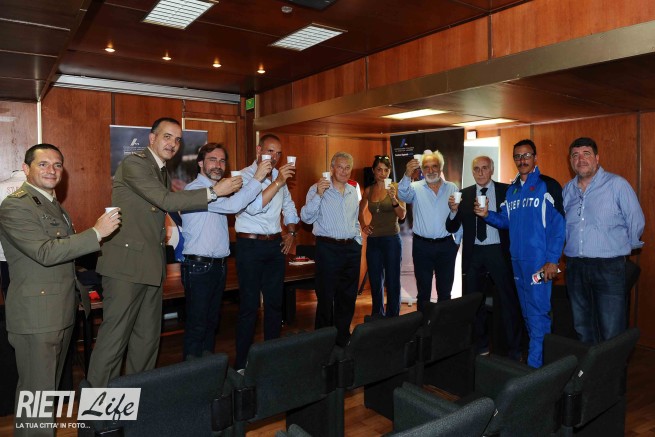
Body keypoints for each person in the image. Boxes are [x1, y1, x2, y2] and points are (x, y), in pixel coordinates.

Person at [87, 117, 251, 388]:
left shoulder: (161, 171)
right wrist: (213, 192)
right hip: (125, 266)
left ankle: (137, 400)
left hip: (151, 266)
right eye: (167, 137)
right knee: (114, 340)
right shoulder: (135, 163)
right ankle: (98, 408)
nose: (173, 144)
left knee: (146, 340)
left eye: (177, 140)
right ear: (152, 138)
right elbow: (166, 200)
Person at [0, 144, 120, 435]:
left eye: (57, 165)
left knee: (45, 392)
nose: (51, 170)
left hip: (58, 310)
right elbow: (45, 252)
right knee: (37, 393)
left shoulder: (52, 205)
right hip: (37, 316)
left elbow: (65, 254)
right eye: (42, 164)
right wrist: (96, 233)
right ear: (26, 169)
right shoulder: (15, 205)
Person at [478, 139, 565, 368]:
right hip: (517, 262)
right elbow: (506, 221)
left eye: (526, 155)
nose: (522, 160)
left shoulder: (548, 185)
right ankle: (538, 362)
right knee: (527, 313)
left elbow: (558, 227)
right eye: (517, 156)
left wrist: (552, 260)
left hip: (539, 263)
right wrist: (487, 215)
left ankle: (536, 368)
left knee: (538, 314)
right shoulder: (512, 190)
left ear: (535, 157)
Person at [181, 143, 268, 361]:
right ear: (200, 163)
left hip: (217, 266)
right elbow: (233, 207)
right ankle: (191, 375)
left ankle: (207, 371)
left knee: (211, 324)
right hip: (199, 267)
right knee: (197, 325)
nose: (218, 165)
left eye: (222, 161)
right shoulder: (195, 190)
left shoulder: (219, 192)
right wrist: (257, 178)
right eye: (212, 159)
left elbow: (234, 204)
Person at [563, 137, 644, 344]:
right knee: (582, 328)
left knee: (611, 331)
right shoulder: (567, 190)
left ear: (597, 158)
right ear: (570, 161)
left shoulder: (617, 185)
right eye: (575, 155)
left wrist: (622, 248)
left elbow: (636, 220)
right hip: (575, 267)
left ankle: (612, 367)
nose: (580, 159)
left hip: (608, 267)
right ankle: (590, 367)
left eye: (586, 154)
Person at [446, 156, 522, 359]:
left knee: (508, 300)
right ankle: (480, 346)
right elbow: (451, 227)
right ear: (472, 172)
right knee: (474, 302)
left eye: (484, 168)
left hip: (499, 251)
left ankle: (513, 349)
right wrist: (453, 211)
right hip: (475, 253)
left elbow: (514, 222)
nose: (480, 172)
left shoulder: (507, 191)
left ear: (492, 170)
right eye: (476, 169)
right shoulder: (464, 194)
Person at [234, 134, 299, 369]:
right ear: (259, 150)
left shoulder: (279, 176)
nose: (275, 157)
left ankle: (271, 361)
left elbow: (289, 207)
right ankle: (241, 364)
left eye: (278, 153)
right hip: (249, 246)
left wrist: (291, 232)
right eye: (270, 151)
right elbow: (253, 207)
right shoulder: (244, 176)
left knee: (274, 304)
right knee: (249, 307)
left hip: (274, 245)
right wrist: (278, 182)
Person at [300, 152, 361, 346]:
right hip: (328, 249)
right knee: (326, 297)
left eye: (347, 168)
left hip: (351, 249)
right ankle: (323, 342)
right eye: (340, 167)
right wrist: (319, 194)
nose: (344, 171)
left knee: (348, 297)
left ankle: (343, 338)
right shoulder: (317, 189)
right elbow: (306, 218)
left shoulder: (353, 190)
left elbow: (355, 219)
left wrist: (357, 240)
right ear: (332, 168)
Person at [397, 150, 461, 312]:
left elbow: (458, 215)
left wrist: (457, 242)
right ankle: (423, 326)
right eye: (426, 167)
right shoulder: (414, 187)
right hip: (422, 247)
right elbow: (402, 195)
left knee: (445, 293)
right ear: (422, 170)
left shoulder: (452, 187)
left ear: (441, 168)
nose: (430, 170)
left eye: (434, 166)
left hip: (446, 246)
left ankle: (442, 326)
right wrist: (407, 174)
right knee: (423, 293)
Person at [358, 155, 406, 317]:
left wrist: (393, 198)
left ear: (390, 171)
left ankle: (393, 317)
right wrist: (364, 225)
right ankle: (377, 315)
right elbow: (360, 210)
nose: (383, 173)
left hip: (391, 240)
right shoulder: (369, 190)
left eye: (386, 170)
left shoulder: (396, 188)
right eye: (379, 170)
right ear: (373, 171)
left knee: (392, 280)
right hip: (373, 241)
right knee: (375, 280)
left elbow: (402, 215)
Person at [0, 169, 26, 300]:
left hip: (4, 250)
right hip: (34, 250)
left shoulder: (1, 187)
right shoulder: (40, 186)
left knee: (9, 287)